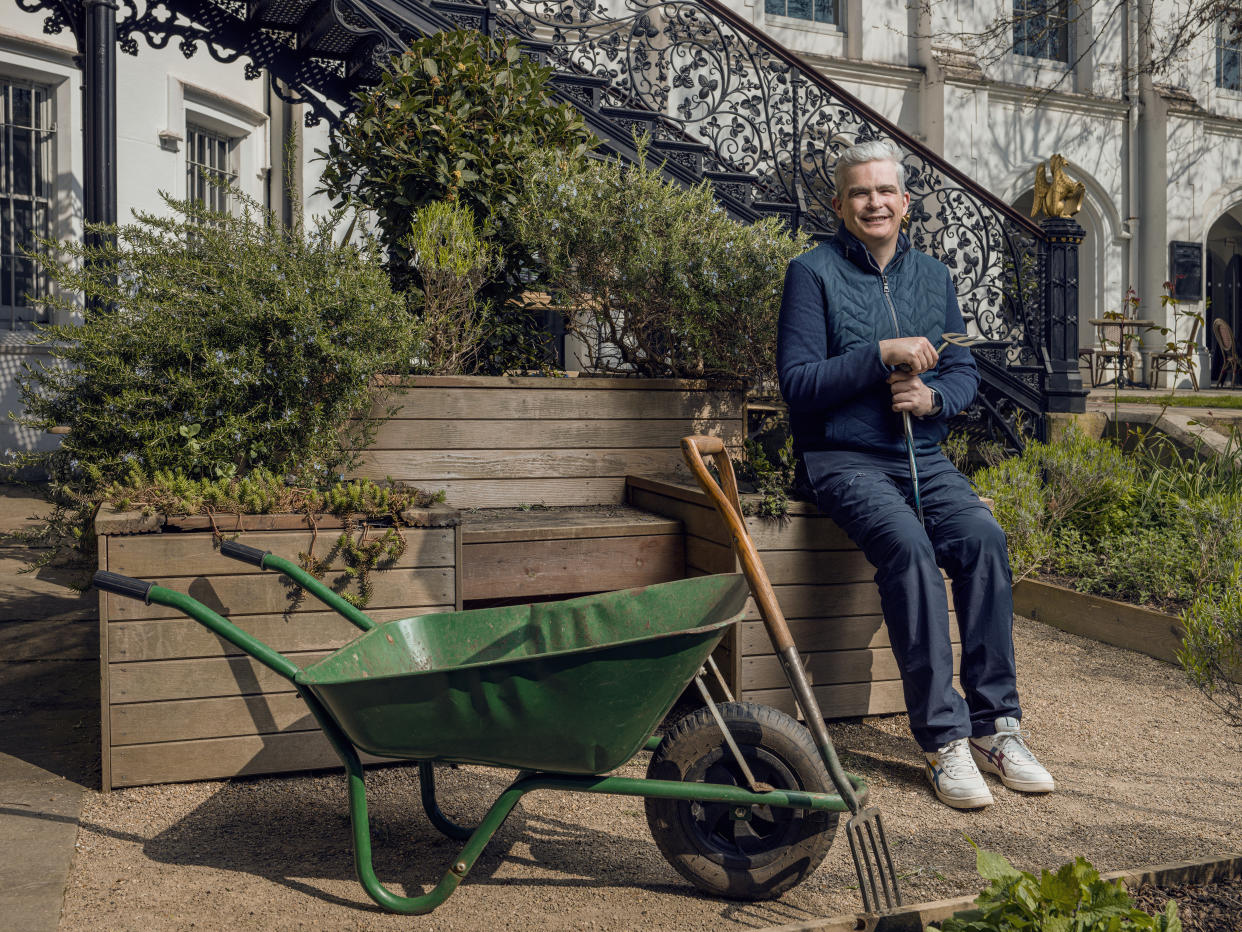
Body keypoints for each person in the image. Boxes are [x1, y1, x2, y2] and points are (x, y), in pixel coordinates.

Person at [775, 139, 1054, 810]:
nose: (874, 202)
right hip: (842, 459)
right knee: (909, 550)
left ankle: (995, 728)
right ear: (840, 206)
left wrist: (934, 399)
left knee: (984, 540)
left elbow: (961, 369)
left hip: (922, 458)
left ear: (905, 203)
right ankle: (943, 739)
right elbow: (798, 383)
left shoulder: (934, 277)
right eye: (859, 193)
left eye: (884, 191)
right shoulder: (811, 273)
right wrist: (878, 356)